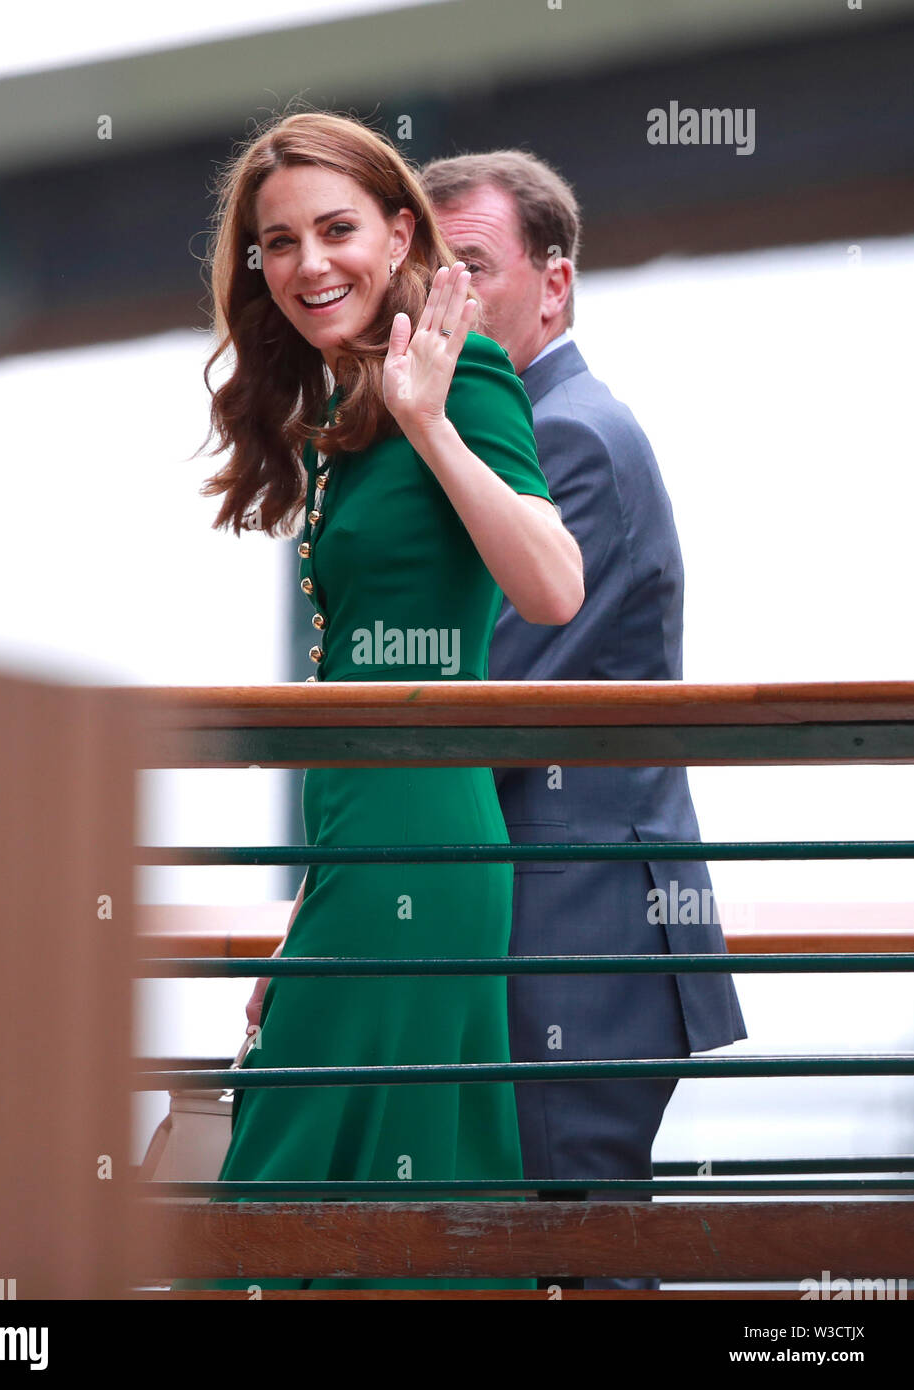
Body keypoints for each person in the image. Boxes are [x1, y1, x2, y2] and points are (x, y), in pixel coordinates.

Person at [176, 112, 584, 1293]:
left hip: (429, 848)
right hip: (360, 849)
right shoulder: (333, 417)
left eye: (338, 229)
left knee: (289, 1189)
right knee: (351, 1186)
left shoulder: (458, 377)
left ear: (401, 228)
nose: (311, 263)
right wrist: (308, 898)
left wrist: (430, 420)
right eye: (280, 242)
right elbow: (349, 683)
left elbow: (553, 584)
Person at [422, 149, 748, 1290]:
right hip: (585, 925)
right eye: (427, 274)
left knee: (576, 1260)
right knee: (570, 1257)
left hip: (576, 936)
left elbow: (478, 699)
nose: (440, 301)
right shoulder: (533, 430)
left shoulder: (566, 439)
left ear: (553, 285)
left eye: (470, 266)